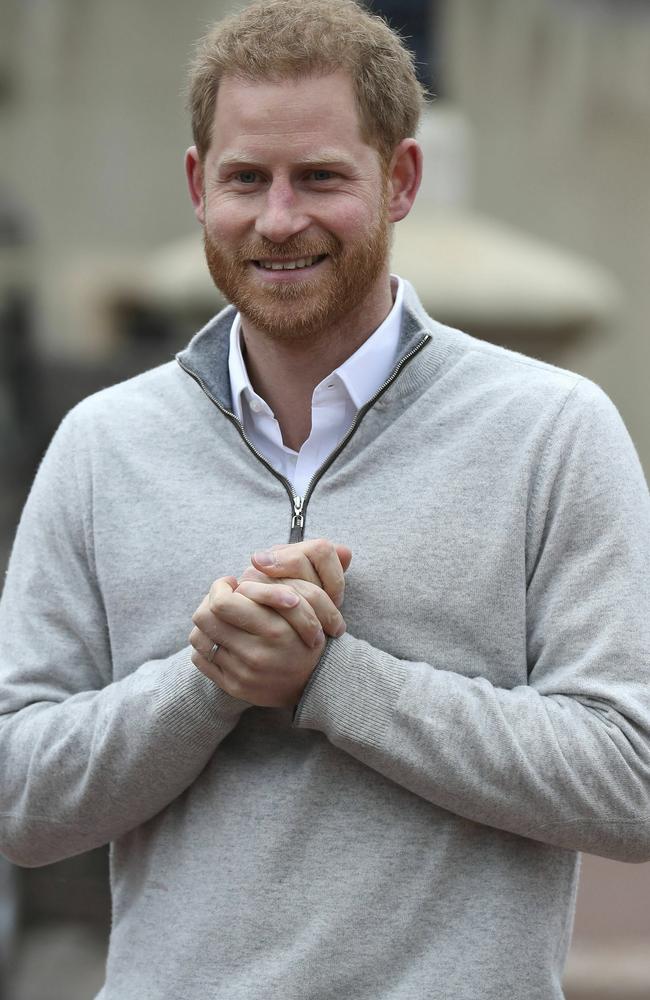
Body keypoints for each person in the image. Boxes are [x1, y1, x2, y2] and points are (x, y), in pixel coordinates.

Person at [1, 1, 649, 997]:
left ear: (400, 180)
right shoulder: (102, 446)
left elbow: (628, 781)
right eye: (245, 178)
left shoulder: (552, 431)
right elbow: (19, 797)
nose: (277, 219)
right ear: (195, 183)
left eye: (320, 177)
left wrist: (333, 682)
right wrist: (206, 680)